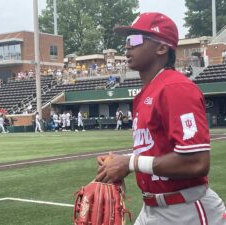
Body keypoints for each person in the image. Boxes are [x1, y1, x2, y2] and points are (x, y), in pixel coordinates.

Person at [96, 12, 226, 225]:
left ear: (161, 48)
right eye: (127, 41)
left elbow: (196, 162)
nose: (127, 47)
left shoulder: (176, 88)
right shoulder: (148, 92)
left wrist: (130, 162)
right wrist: (121, 162)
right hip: (153, 209)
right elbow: (157, 151)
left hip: (186, 211)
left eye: (136, 40)